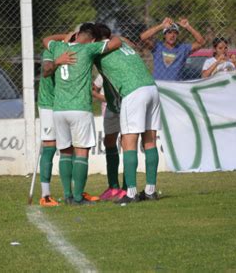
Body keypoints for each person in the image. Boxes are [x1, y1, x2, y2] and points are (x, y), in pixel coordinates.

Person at [42, 23, 122, 205]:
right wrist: (119, 37)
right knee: (81, 153)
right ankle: (78, 197)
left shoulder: (59, 47)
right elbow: (115, 43)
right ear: (93, 39)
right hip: (79, 108)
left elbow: (45, 39)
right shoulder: (89, 49)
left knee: (65, 153)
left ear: (77, 34)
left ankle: (67, 195)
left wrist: (66, 35)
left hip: (59, 109)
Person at [95, 23, 161, 204]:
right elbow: (128, 42)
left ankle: (130, 193)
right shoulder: (122, 42)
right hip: (151, 87)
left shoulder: (97, 48)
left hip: (133, 92)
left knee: (128, 142)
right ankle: (150, 191)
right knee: (150, 140)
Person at [92, 72, 126, 201]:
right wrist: (94, 91)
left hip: (124, 107)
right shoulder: (103, 73)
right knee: (109, 142)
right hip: (109, 110)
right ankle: (113, 186)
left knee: (127, 143)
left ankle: (126, 187)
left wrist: (96, 95)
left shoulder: (123, 70)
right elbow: (94, 87)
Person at [140, 17, 205, 80]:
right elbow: (143, 37)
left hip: (174, 87)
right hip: (159, 86)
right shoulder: (157, 46)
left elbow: (201, 42)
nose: (172, 35)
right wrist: (161, 26)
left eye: (175, 33)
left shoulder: (182, 49)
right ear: (164, 35)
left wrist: (188, 27)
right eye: (169, 32)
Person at [37, 49, 60, 207]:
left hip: (66, 104)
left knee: (72, 148)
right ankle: (45, 194)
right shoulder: (51, 50)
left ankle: (74, 193)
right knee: (49, 146)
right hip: (48, 105)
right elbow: (46, 70)